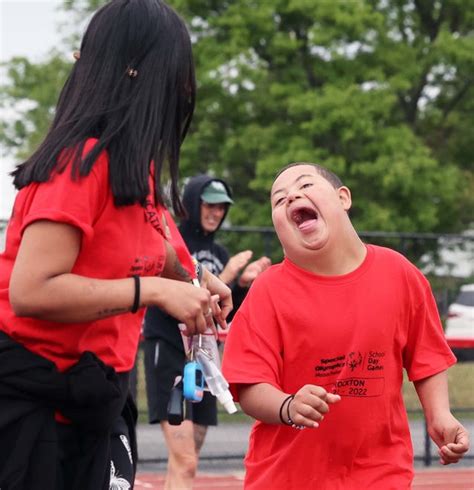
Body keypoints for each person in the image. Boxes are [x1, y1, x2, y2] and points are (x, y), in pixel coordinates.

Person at [0, 2, 232, 489]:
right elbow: (32, 290)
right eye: (177, 72)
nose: (186, 89)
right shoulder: (78, 163)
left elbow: (156, 248)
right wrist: (153, 292)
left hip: (99, 397)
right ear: (136, 70)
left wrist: (196, 281)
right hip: (33, 407)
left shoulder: (135, 169)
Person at [221, 162, 470, 489]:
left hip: (380, 474)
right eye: (279, 200)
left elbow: (427, 358)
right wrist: (288, 405)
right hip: (286, 478)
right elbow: (248, 385)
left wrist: (440, 416)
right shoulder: (268, 290)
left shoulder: (400, 274)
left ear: (343, 198)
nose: (292, 195)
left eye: (306, 185)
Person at [143, 174, 271, 490]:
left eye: (221, 208)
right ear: (192, 203)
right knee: (185, 458)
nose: (215, 213)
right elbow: (173, 292)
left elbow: (225, 312)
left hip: (204, 358)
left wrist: (241, 286)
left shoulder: (222, 253)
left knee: (186, 461)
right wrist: (226, 276)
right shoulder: (171, 242)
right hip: (169, 346)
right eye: (209, 205)